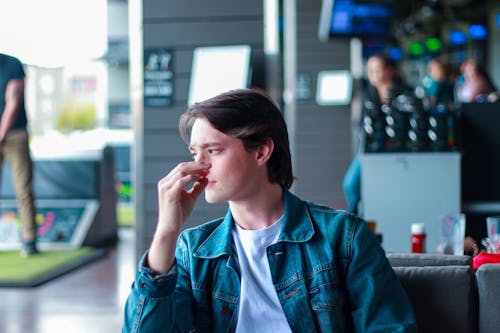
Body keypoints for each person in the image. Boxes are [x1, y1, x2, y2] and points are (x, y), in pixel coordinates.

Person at [122, 88, 417, 332]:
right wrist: (166, 232)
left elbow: (389, 327)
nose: (199, 166)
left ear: (262, 151)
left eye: (213, 150)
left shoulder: (344, 237)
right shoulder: (191, 251)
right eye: (194, 153)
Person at [343, 53, 413, 214]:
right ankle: (353, 220)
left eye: (378, 69)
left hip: (397, 150)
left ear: (390, 71)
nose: (373, 73)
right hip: (370, 148)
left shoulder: (405, 94)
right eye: (370, 70)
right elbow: (359, 123)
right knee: (351, 184)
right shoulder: (367, 94)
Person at [0, 53, 38, 257]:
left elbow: (13, 102)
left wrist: (1, 135)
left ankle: (29, 240)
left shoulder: (11, 64)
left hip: (15, 134)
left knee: (23, 188)